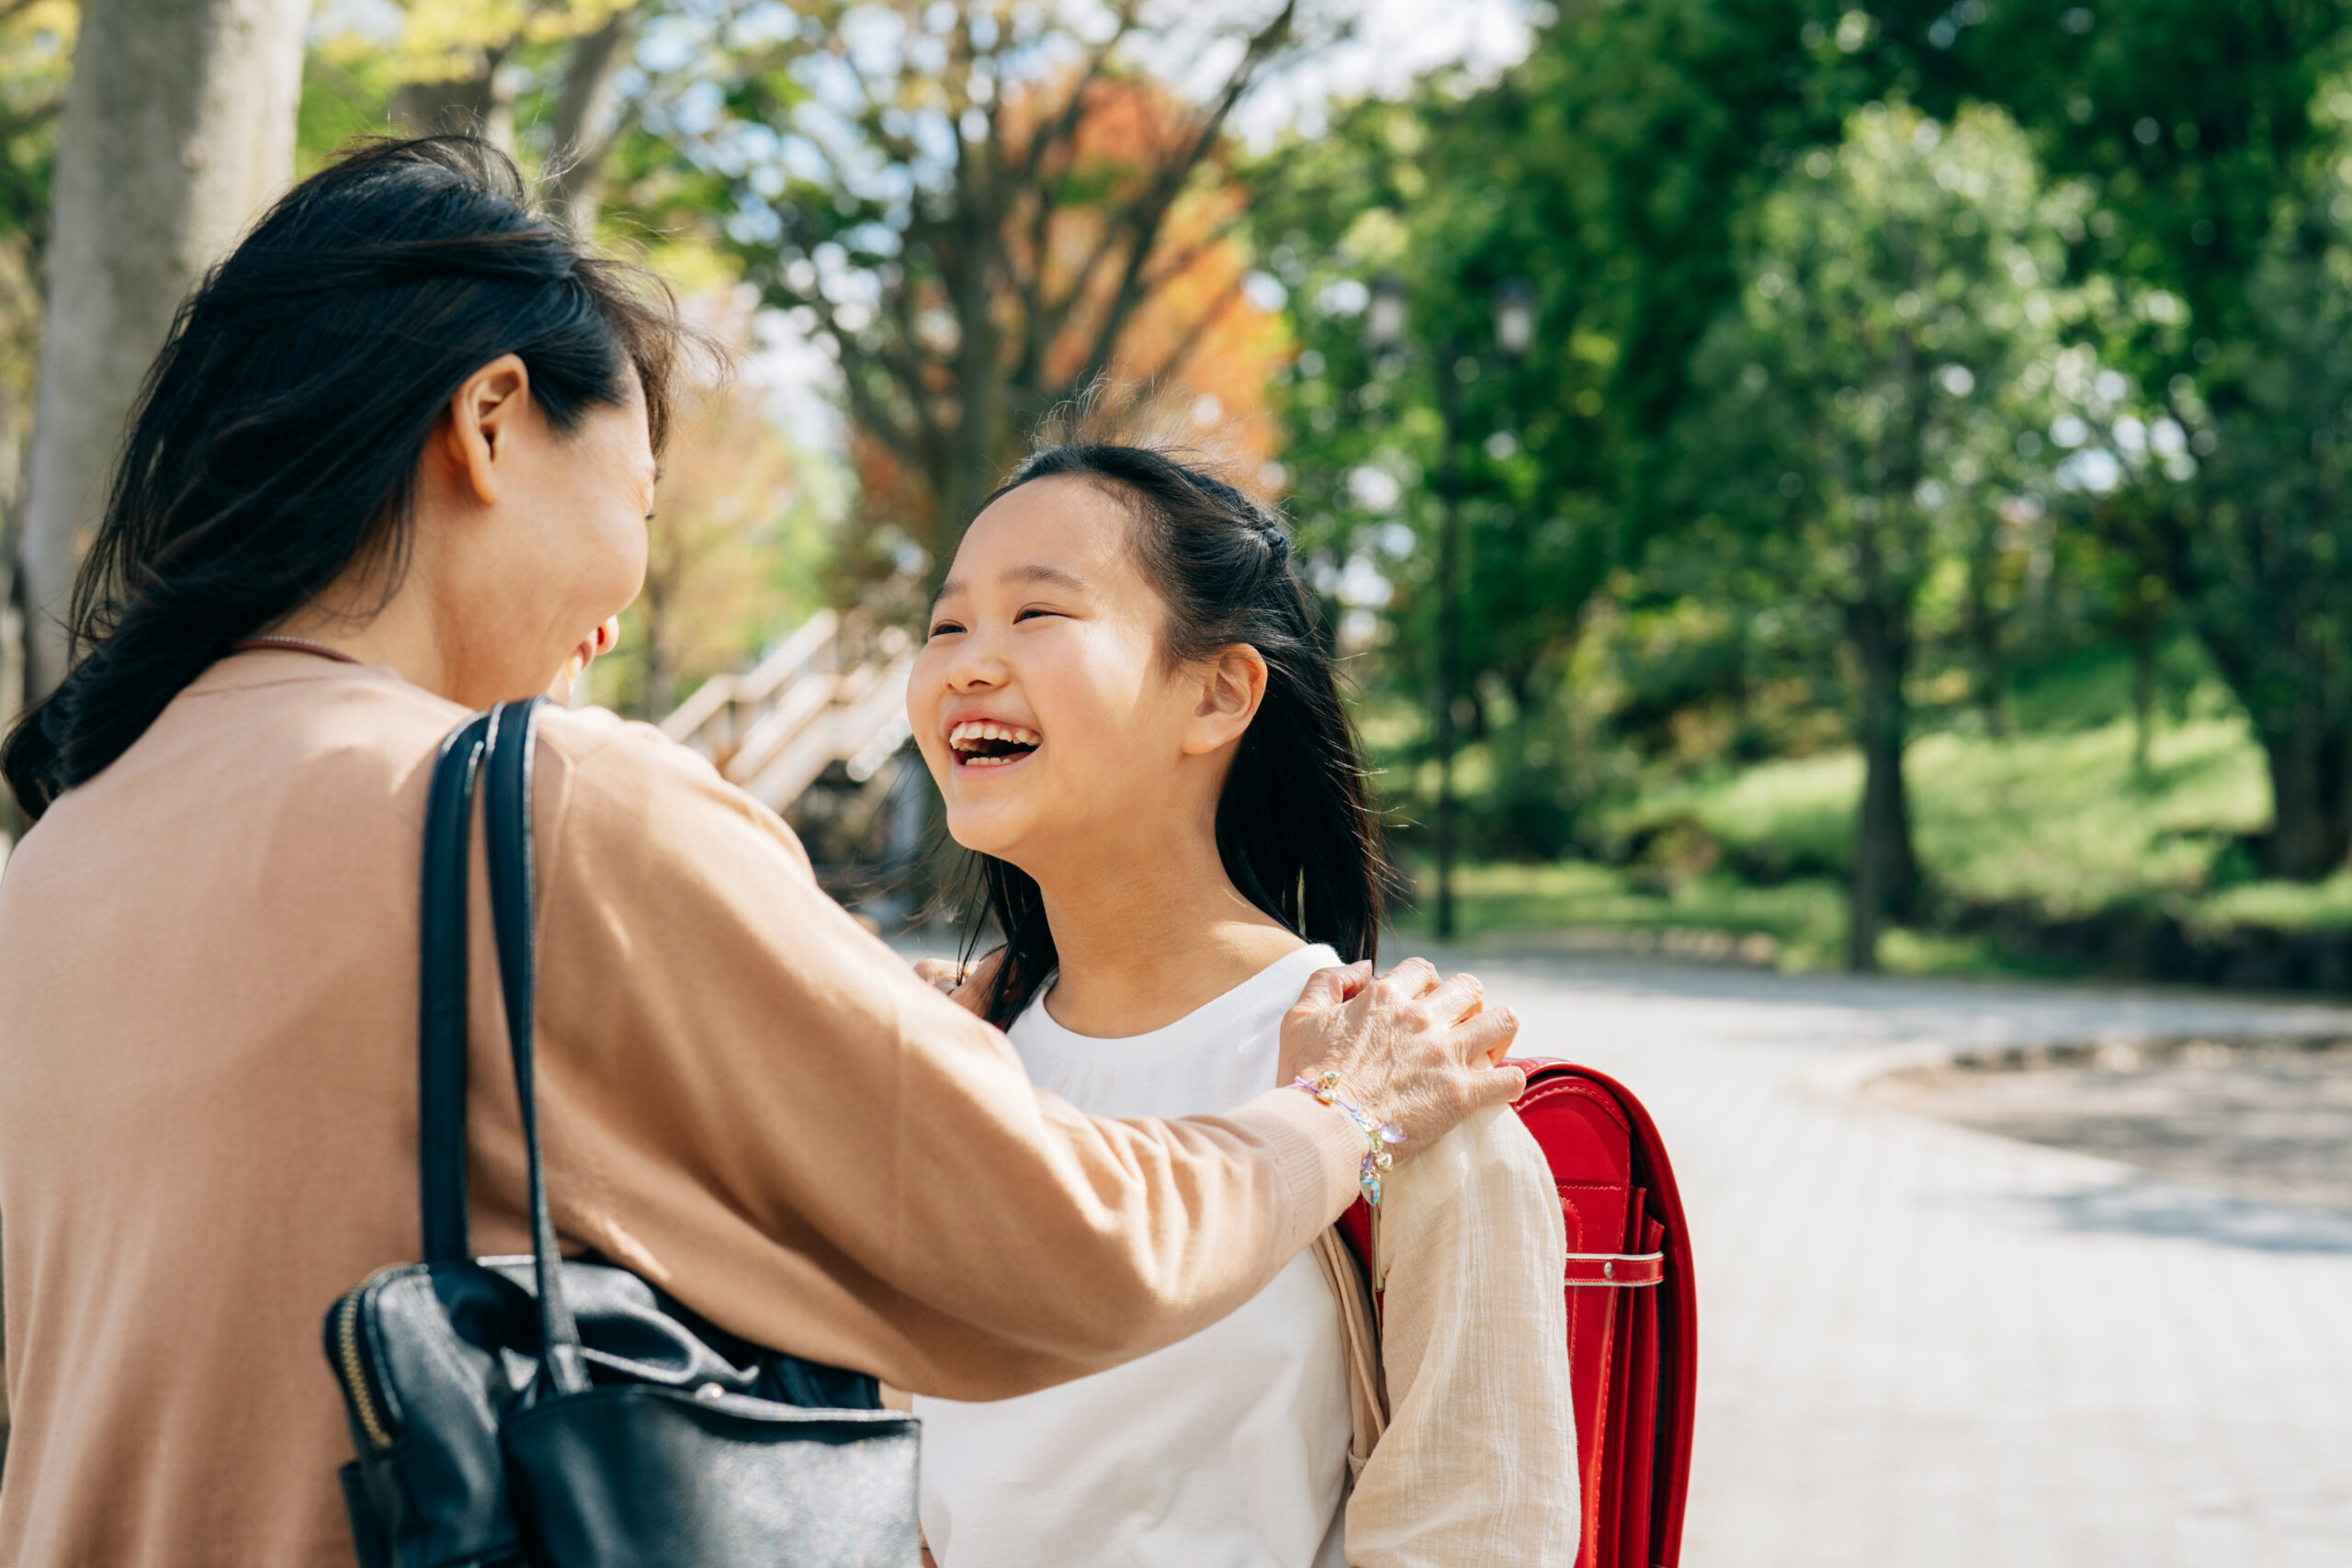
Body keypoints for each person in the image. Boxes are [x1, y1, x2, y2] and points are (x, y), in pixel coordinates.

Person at [0, 138, 1524, 1568]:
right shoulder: (547, 811)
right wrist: (1345, 1112)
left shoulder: (60, 863)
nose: (622, 612)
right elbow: (1074, 1245)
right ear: (490, 423)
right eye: (643, 492)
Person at [901, 432, 1580, 1567]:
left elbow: (1476, 1533)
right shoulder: (953, 1062)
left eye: (1036, 615)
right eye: (944, 625)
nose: (967, 663)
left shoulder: (1407, 1092)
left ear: (1219, 692)